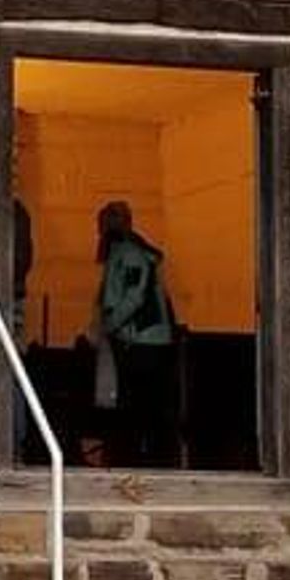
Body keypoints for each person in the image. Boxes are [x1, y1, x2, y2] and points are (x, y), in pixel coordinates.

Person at [91, 200, 181, 468]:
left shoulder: (128, 254)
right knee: (141, 405)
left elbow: (134, 297)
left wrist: (110, 325)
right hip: (141, 340)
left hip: (141, 342)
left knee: (136, 405)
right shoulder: (129, 252)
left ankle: (136, 460)